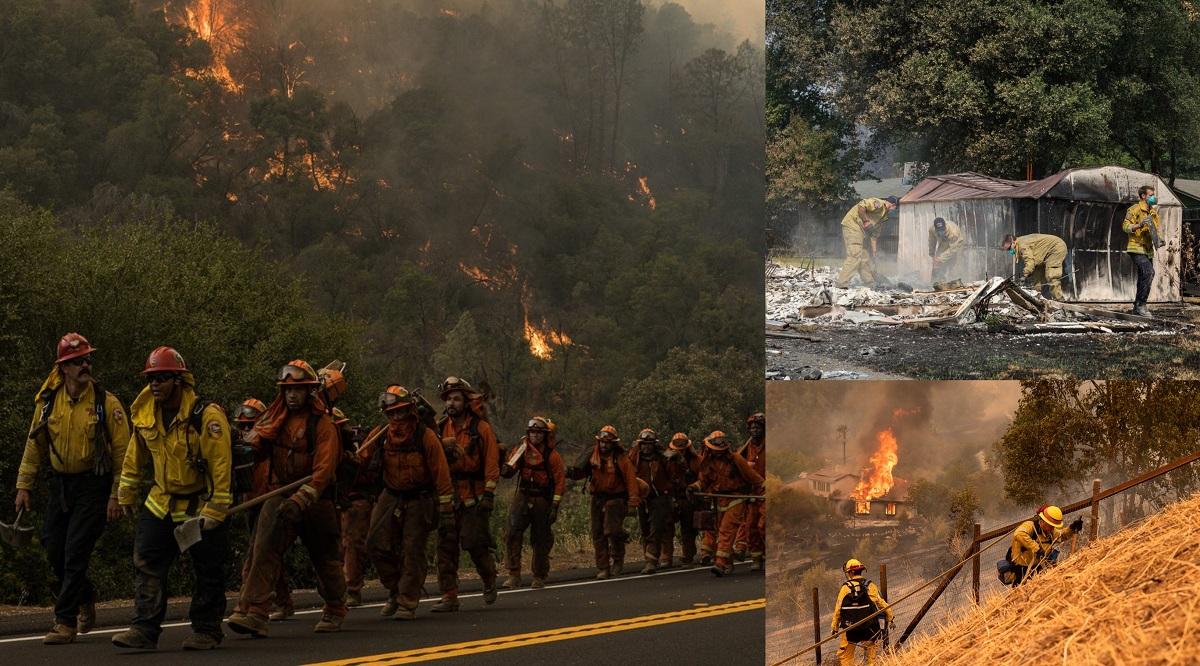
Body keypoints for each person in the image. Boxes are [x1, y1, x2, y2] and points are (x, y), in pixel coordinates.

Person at [14, 333, 130, 645]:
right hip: (61, 483)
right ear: (63, 367)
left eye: (87, 359)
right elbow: (34, 444)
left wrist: (117, 494)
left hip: (94, 483)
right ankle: (85, 594)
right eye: (78, 361)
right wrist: (24, 485)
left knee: (75, 549)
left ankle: (64, 622)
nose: (85, 365)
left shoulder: (106, 402)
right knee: (53, 546)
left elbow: (123, 453)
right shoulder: (48, 401)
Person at [113, 347, 231, 651]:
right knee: (147, 562)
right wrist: (125, 491)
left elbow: (221, 465)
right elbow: (133, 455)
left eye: (162, 379)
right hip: (161, 501)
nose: (154, 385)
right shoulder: (145, 414)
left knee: (207, 568)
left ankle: (206, 630)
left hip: (199, 504)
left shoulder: (206, 415)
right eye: (151, 379)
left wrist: (216, 509)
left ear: (179, 380)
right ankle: (143, 629)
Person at [226, 360, 347, 637]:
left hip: (316, 499)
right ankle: (255, 611)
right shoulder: (274, 419)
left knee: (325, 558)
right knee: (263, 550)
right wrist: (239, 454)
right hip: (280, 493)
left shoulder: (323, 424)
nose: (292, 395)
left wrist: (303, 499)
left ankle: (335, 607)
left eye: (298, 390)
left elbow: (324, 470)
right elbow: (254, 447)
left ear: (309, 392)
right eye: (287, 390)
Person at [359, 385, 454, 620]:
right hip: (390, 494)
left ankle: (407, 601)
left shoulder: (426, 437)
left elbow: (441, 472)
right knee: (374, 544)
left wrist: (446, 509)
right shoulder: (380, 435)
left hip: (419, 498)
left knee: (412, 550)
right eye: (390, 414)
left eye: (399, 413)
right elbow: (362, 458)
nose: (395, 419)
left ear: (410, 411)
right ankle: (394, 589)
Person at [434, 376, 501, 612]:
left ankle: (489, 578)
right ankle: (449, 596)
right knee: (446, 546)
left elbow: (492, 463)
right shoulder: (440, 428)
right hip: (449, 496)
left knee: (474, 543)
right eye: (448, 399)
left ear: (466, 402)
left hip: (474, 497)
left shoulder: (481, 429)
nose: (451, 403)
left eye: (456, 399)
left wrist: (489, 495)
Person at [233, 398, 295, 621]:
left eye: (250, 425)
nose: (246, 430)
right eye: (242, 426)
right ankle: (284, 603)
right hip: (251, 505)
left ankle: (248, 607)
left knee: (257, 557)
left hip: (271, 503)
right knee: (267, 556)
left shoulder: (270, 445)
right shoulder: (242, 450)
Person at [500, 416, 566, 589]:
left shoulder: (552, 456)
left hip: (542, 499)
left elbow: (560, 481)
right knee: (512, 533)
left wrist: (555, 506)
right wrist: (505, 468)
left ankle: (539, 575)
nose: (535, 436)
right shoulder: (522, 449)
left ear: (545, 435)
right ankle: (514, 574)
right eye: (532, 432)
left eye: (538, 433)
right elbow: (510, 468)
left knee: (540, 538)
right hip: (522, 496)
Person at [567, 425, 639, 579]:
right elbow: (580, 472)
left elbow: (631, 480)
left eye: (607, 442)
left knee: (612, 531)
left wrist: (633, 503)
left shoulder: (621, 458)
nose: (604, 445)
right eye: (602, 442)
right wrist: (570, 472)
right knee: (598, 533)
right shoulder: (592, 456)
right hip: (597, 498)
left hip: (616, 499)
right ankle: (603, 568)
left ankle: (618, 560)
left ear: (613, 443)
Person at [690, 431, 764, 577]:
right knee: (718, 531)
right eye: (715, 451)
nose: (718, 454)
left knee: (726, 530)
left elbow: (754, 477)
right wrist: (694, 487)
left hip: (736, 497)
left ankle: (720, 563)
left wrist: (764, 490)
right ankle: (728, 562)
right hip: (718, 499)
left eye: (720, 451)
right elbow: (703, 481)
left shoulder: (735, 459)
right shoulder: (707, 462)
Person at [332, 407, 373, 607]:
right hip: (330, 500)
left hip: (355, 499)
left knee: (351, 543)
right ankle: (334, 590)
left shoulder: (353, 447)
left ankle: (351, 590)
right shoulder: (318, 442)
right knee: (333, 546)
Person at [831, 558, 893, 666]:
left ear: (850, 572)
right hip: (869, 628)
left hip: (850, 629)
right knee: (871, 658)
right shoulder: (870, 586)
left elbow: (838, 609)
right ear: (861, 570)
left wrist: (835, 628)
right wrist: (890, 617)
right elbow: (881, 603)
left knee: (846, 657)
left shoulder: (845, 588)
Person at [1003, 504, 1084, 587]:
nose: (1053, 528)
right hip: (1021, 567)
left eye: (1054, 526)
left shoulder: (1050, 531)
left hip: (1038, 566)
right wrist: (1037, 549)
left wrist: (1072, 528)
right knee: (1021, 592)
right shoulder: (1030, 526)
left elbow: (1061, 535)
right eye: (1051, 525)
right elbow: (1018, 534)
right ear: (1043, 521)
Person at [628, 429, 673, 574]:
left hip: (659, 498)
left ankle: (651, 562)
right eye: (643, 444)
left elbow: (674, 472)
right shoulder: (634, 458)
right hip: (642, 499)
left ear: (654, 445)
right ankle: (649, 557)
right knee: (645, 529)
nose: (646, 447)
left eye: (649, 444)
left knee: (656, 528)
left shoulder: (662, 458)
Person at [836, 196, 898, 288]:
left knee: (864, 257)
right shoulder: (879, 203)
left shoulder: (883, 217)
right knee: (855, 255)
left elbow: (874, 235)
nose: (894, 211)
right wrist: (866, 221)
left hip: (861, 232)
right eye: (895, 208)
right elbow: (861, 206)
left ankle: (870, 283)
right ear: (893, 205)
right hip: (853, 225)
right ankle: (842, 283)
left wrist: (874, 251)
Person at [1123, 185, 1162, 317]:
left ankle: (1137, 307)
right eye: (1151, 195)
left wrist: (1159, 240)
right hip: (1136, 247)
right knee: (1149, 272)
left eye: (1153, 195)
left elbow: (1155, 230)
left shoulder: (1153, 212)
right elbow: (1125, 227)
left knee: (1145, 276)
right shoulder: (1134, 209)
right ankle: (1141, 305)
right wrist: (1139, 225)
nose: (1153, 197)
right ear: (1143, 196)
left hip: (1148, 249)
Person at [664, 433, 702, 568]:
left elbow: (703, 478)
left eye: (683, 449)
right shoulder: (667, 461)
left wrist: (693, 486)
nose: (680, 451)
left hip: (688, 498)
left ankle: (688, 556)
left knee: (688, 529)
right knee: (667, 527)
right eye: (677, 449)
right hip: (671, 497)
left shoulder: (696, 460)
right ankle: (666, 558)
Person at [735, 413, 766, 572]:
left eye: (758, 427)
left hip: (766, 492)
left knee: (763, 525)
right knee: (751, 526)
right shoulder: (747, 448)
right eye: (752, 428)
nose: (755, 430)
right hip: (752, 493)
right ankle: (756, 558)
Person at [1001, 233, 1068, 300]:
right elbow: (1034, 263)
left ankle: (1060, 300)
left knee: (1051, 275)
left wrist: (1025, 275)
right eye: (1008, 250)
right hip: (1045, 254)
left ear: (1013, 242)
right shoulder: (1020, 243)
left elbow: (1030, 262)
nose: (1010, 251)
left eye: (1009, 248)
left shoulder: (1022, 245)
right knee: (1037, 277)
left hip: (1056, 248)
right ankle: (1038, 298)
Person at [927, 217, 965, 283]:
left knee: (953, 266)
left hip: (956, 245)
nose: (940, 232)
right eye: (938, 230)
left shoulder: (953, 232)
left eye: (942, 229)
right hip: (943, 243)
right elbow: (931, 241)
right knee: (937, 265)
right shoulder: (932, 229)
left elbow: (953, 249)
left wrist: (941, 259)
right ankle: (935, 283)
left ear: (945, 227)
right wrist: (932, 255)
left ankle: (956, 284)